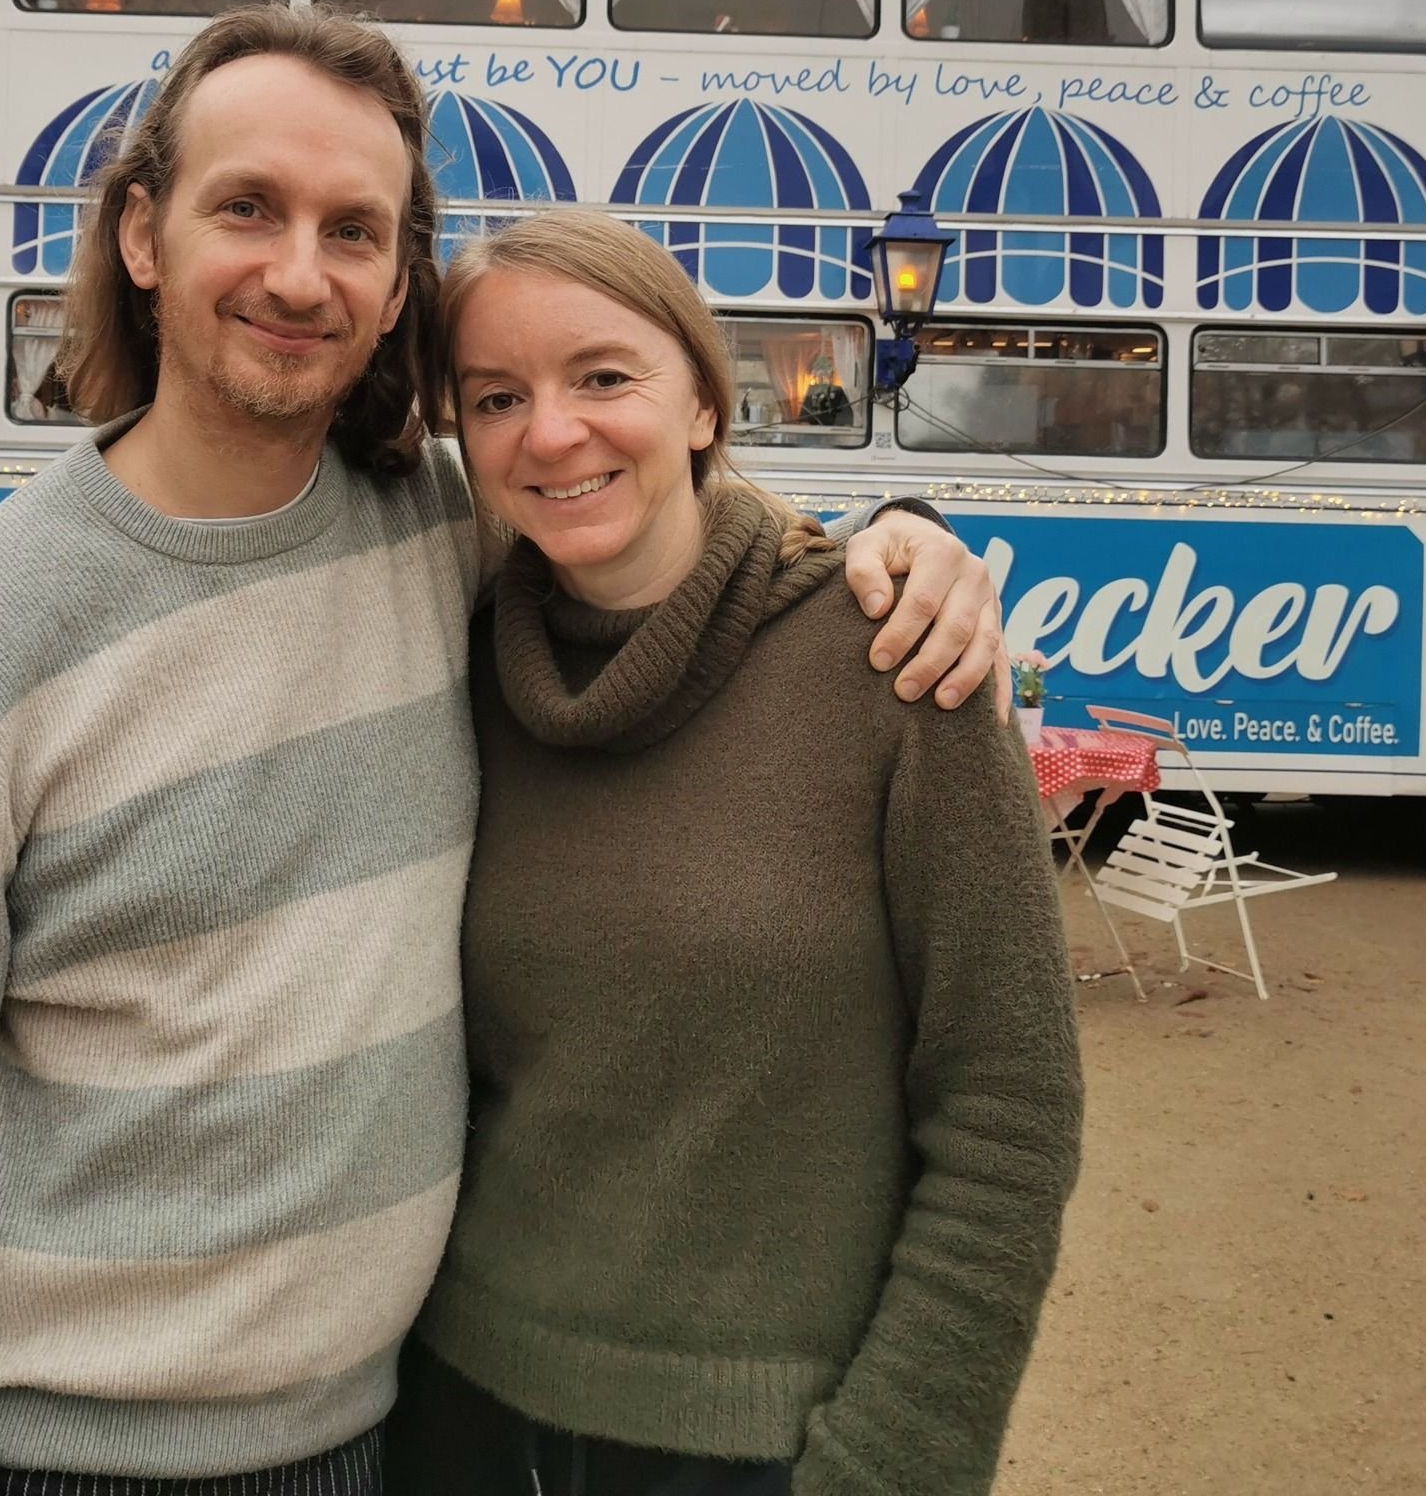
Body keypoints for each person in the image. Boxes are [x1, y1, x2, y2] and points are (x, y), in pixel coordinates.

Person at [0, 4, 1009, 1496]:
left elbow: (634, 493)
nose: (300, 271)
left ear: (397, 278)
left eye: (355, 229)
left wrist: (899, 544)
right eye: (248, 209)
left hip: (394, 1433)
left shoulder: (437, 541)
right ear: (143, 235)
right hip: (78, 1460)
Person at [390, 208, 1084, 1496]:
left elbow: (1008, 1107)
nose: (551, 432)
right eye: (495, 397)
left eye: (605, 376)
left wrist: (894, 1464)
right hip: (457, 1413)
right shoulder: (457, 666)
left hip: (759, 1444)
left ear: (706, 404)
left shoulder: (894, 663)